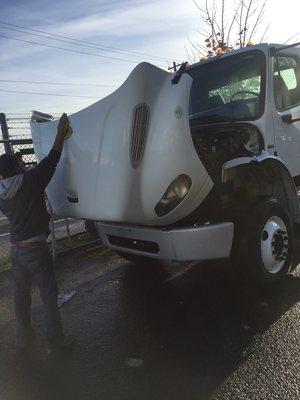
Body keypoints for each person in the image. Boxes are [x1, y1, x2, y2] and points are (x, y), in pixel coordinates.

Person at [0, 114, 75, 356]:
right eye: (19, 162)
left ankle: (24, 339)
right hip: (35, 248)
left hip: (16, 248)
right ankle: (55, 342)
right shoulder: (30, 181)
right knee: (48, 294)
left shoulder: (2, 191)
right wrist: (59, 133)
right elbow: (52, 160)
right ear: (15, 168)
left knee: (21, 296)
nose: (23, 164)